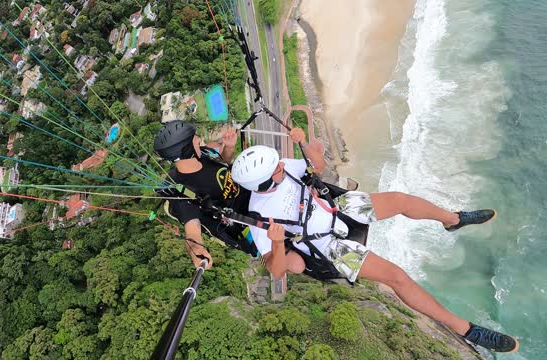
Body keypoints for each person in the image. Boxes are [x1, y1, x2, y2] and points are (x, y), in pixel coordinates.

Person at [230, 139, 518, 353]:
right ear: (265, 182)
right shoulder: (259, 216)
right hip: (326, 245)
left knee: (402, 201)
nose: (282, 164)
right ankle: (467, 330)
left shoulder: (285, 169)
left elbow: (315, 170)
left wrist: (311, 150)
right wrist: (278, 243)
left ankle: (453, 219)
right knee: (397, 277)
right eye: (276, 167)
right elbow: (276, 270)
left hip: (335, 207)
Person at [152, 120, 313, 270]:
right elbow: (192, 230)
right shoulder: (182, 193)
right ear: (186, 150)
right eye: (194, 139)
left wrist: (229, 147)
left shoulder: (202, 154)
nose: (198, 140)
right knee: (297, 264)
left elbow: (223, 169)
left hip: (256, 194)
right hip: (250, 221)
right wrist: (197, 250)